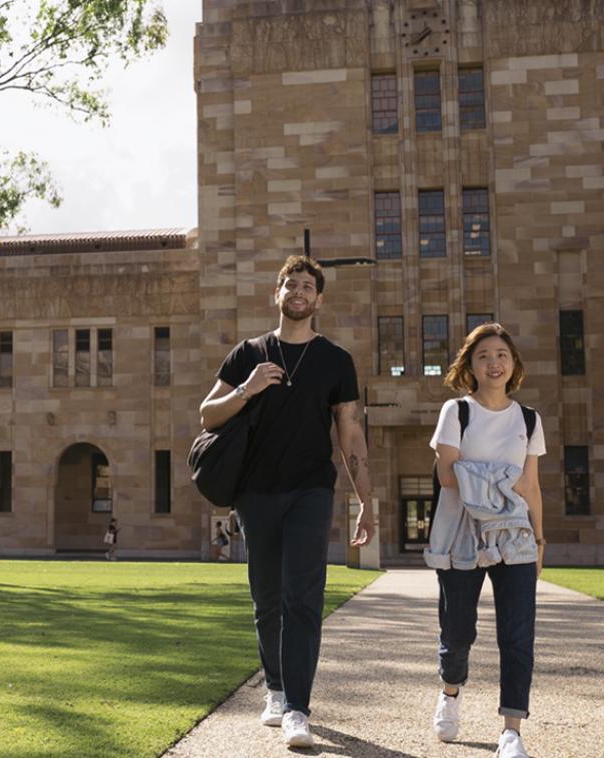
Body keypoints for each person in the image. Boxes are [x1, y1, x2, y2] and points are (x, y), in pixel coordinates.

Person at [198, 254, 375, 749]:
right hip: (255, 493)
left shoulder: (335, 360)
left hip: (311, 491)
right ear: (276, 294)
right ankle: (274, 689)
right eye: (290, 284)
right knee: (267, 599)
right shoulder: (247, 353)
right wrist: (247, 390)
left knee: (303, 596)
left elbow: (350, 434)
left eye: (307, 286)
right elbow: (208, 415)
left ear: (319, 300)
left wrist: (366, 500)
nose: (298, 292)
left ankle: (298, 706)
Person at [425, 323, 546, 758]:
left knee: (518, 633)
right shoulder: (456, 412)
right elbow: (445, 475)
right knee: (458, 629)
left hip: (515, 536)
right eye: (483, 356)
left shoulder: (529, 419)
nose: (493, 363)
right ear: (470, 366)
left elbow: (530, 486)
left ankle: (512, 730)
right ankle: (450, 693)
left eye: (501, 355)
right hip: (462, 533)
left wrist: (539, 537)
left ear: (513, 364)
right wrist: (502, 483)